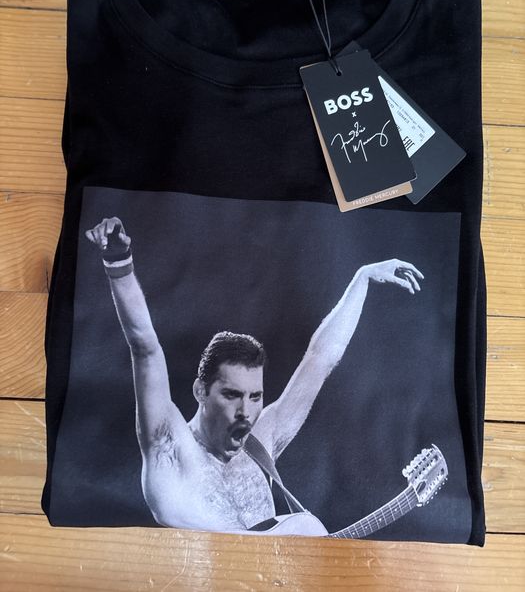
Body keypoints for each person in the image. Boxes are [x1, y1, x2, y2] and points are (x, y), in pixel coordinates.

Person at [85, 216, 424, 532]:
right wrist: (118, 262)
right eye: (232, 395)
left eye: (255, 396)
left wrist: (362, 279)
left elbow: (319, 360)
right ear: (201, 391)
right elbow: (145, 348)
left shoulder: (259, 444)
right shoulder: (171, 446)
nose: (245, 412)